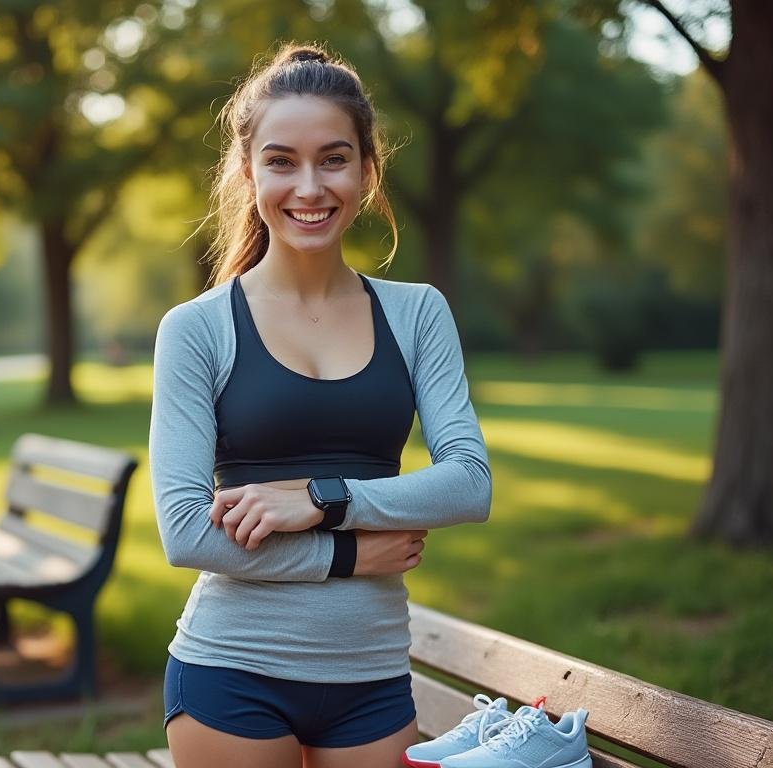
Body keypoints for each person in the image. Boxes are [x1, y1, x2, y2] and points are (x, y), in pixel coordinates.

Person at [148, 43, 493, 768]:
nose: (310, 186)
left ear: (367, 171)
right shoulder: (197, 328)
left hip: (371, 678)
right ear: (248, 171)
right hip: (231, 671)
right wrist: (346, 553)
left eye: (334, 159)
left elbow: (469, 483)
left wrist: (321, 499)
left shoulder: (417, 313)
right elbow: (184, 532)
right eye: (282, 161)